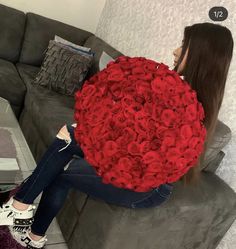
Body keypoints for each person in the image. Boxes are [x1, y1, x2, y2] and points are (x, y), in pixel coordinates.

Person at [0, 22, 234, 249]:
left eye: (184, 45)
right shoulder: (171, 88)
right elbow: (128, 131)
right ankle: (20, 205)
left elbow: (142, 154)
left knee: (63, 172)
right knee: (67, 137)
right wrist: (87, 129)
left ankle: (32, 233)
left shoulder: (193, 113)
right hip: (128, 162)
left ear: (201, 55)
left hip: (145, 186)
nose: (175, 51)